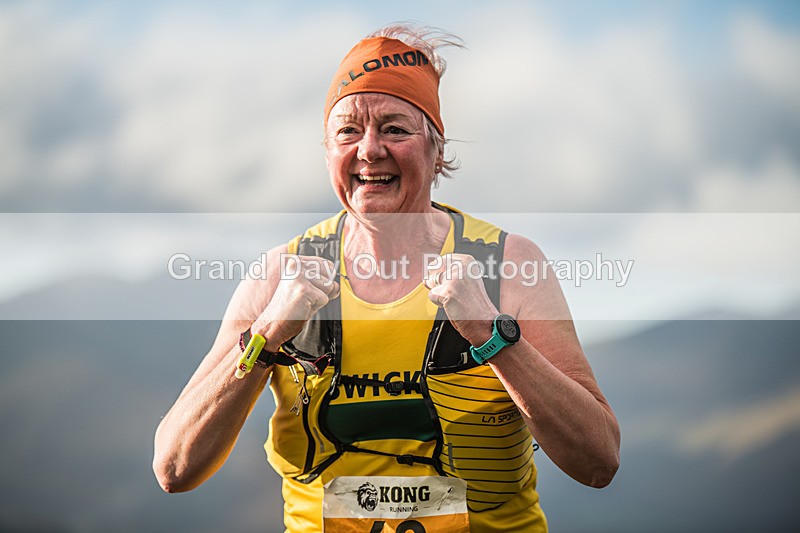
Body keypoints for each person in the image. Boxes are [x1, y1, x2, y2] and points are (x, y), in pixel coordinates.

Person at [153, 23, 620, 532]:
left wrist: (492, 335)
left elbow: (597, 461)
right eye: (348, 131)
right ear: (329, 151)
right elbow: (175, 468)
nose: (369, 149)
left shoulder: (506, 266)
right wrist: (264, 336)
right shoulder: (279, 276)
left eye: (395, 129)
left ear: (437, 151)